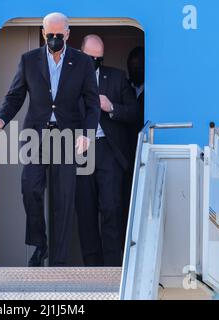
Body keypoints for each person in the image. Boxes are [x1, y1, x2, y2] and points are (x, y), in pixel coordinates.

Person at [0, 13, 100, 267]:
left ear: (68, 34)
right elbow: (15, 96)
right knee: (30, 189)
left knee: (64, 199)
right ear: (42, 33)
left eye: (60, 35)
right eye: (51, 35)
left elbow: (92, 104)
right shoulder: (29, 60)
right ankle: (40, 244)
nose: (55, 39)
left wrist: (87, 135)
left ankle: (58, 261)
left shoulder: (82, 63)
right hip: (35, 135)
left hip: (68, 137)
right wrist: (2, 119)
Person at [75, 34, 138, 267]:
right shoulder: (67, 80)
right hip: (81, 151)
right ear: (80, 55)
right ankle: (92, 269)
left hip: (109, 151)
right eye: (90, 58)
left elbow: (135, 113)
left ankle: (113, 268)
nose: (94, 63)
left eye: (99, 59)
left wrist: (111, 106)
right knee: (85, 209)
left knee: (111, 207)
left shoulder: (117, 78)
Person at [121, 46, 145, 252]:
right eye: (131, 66)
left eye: (138, 66)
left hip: (142, 157)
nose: (134, 70)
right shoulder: (125, 87)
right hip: (124, 157)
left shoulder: (154, 91)